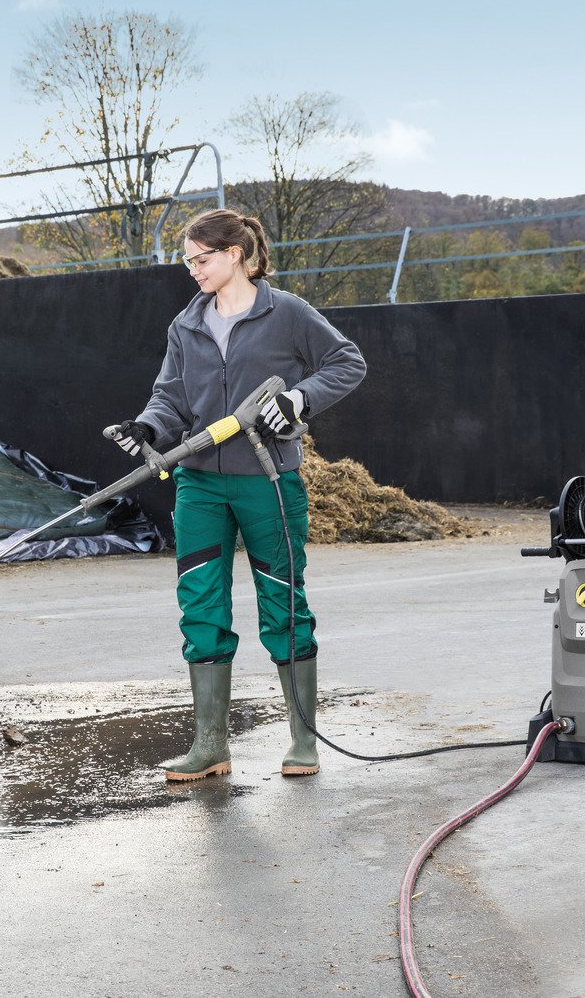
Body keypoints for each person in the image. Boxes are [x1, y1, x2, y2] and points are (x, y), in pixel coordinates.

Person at [104, 209, 366, 781]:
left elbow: (348, 361)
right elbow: (170, 397)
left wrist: (300, 399)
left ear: (236, 255)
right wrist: (148, 428)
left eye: (202, 258)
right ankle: (210, 745)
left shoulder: (287, 313)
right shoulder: (186, 325)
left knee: (283, 603)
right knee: (200, 605)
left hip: (268, 481)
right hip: (198, 484)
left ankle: (303, 740)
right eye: (188, 261)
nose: (193, 270)